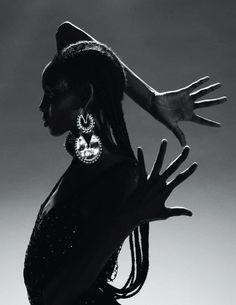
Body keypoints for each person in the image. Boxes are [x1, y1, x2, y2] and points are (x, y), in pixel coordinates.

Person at [24, 22, 226, 305]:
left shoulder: (117, 174)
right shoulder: (87, 158)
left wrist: (128, 219)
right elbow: (69, 34)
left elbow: (57, 297)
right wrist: (151, 100)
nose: (42, 105)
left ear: (83, 97)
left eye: (53, 93)